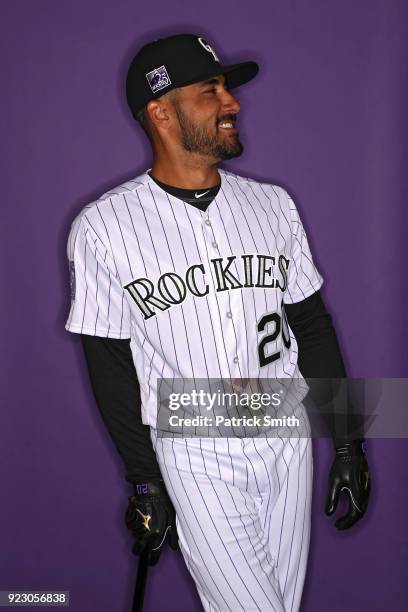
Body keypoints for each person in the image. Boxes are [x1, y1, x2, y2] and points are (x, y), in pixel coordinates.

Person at [65, 33, 370, 612]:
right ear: (161, 111)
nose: (231, 103)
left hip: (287, 435)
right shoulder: (103, 226)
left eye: (227, 88)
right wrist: (145, 479)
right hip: (194, 447)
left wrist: (349, 443)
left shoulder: (273, 204)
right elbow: (108, 367)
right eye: (211, 91)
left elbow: (314, 326)